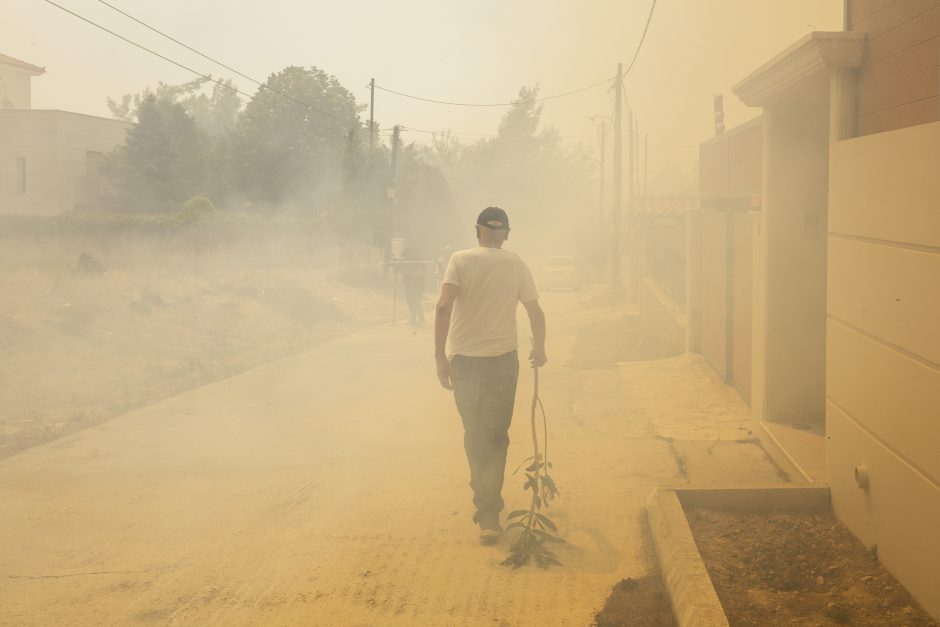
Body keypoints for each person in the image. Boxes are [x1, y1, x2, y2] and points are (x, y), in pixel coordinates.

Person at [434, 206, 547, 544]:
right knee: (496, 435)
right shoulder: (517, 264)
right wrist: (539, 349)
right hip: (502, 362)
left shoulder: (459, 260)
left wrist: (440, 357)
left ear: (477, 231)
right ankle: (489, 512)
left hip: (465, 362)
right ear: (507, 235)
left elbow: (442, 307)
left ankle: (484, 504)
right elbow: (536, 313)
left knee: (475, 432)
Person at [401, 248, 426, 326]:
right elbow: (404, 270)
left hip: (417, 285)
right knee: (409, 301)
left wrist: (410, 273)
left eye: (407, 256)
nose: (406, 258)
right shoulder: (407, 261)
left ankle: (421, 319)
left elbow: (421, 272)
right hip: (409, 285)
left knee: (415, 301)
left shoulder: (418, 260)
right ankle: (412, 320)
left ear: (411, 254)